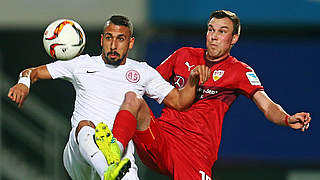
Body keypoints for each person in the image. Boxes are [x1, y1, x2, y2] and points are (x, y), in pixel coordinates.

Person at [101, 10, 312, 180]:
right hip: (161, 139)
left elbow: (267, 106)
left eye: (222, 32)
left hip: (194, 153)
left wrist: (286, 118)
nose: (214, 37)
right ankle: (113, 156)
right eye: (211, 30)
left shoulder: (240, 71)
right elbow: (145, 82)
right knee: (132, 99)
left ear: (234, 38)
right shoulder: (183, 55)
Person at [7, 15, 211, 180]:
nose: (113, 45)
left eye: (120, 39)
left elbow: (179, 101)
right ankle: (109, 172)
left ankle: (113, 163)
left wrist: (193, 79)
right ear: (101, 39)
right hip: (80, 154)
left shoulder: (143, 72)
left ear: (130, 43)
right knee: (85, 127)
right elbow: (32, 72)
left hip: (119, 152)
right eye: (109, 38)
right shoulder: (81, 64)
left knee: (131, 108)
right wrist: (23, 84)